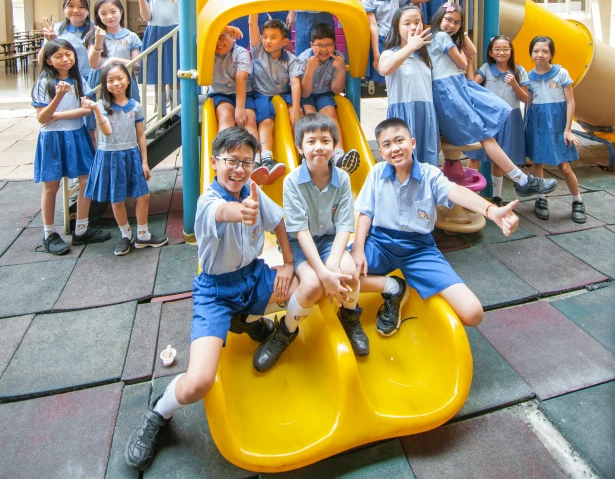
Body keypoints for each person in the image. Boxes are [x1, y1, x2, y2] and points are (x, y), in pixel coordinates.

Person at [125, 127, 307, 472]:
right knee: (199, 382)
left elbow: (280, 221)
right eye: (231, 161)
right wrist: (241, 212)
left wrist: (287, 261)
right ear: (214, 162)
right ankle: (158, 413)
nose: (239, 169)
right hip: (215, 292)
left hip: (252, 275)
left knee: (304, 288)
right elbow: (223, 213)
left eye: (246, 162)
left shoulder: (252, 190)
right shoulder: (209, 200)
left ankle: (255, 321)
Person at [351, 118, 518, 336]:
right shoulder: (377, 173)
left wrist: (491, 211)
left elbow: (455, 191)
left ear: (412, 143)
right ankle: (393, 287)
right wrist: (358, 248)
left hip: (418, 249)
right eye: (387, 144)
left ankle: (399, 285)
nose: (395, 148)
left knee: (473, 313)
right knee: (337, 273)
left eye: (399, 140)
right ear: (381, 151)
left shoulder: (429, 174)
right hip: (380, 243)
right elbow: (365, 213)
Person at [263, 113, 368, 361]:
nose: (319, 147)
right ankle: (286, 329)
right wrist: (323, 273)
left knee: (348, 272)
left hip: (329, 240)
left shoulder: (342, 178)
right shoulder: (291, 182)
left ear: (334, 146)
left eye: (325, 140)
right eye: (311, 142)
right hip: (300, 244)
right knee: (311, 285)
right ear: (300, 147)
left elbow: (344, 225)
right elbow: (300, 231)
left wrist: (332, 264)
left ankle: (351, 316)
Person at [427, 2, 558, 197]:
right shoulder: (440, 36)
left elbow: (471, 53)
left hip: (457, 88)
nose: (451, 25)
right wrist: (458, 45)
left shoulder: (443, 37)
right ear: (439, 18)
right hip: (450, 91)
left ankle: (520, 180)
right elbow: (464, 61)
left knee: (495, 111)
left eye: (457, 22)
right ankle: (521, 180)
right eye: (448, 20)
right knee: (486, 135)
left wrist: (461, 34)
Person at [32, 39, 111, 255]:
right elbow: (41, 119)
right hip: (52, 138)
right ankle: (49, 233)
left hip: (77, 134)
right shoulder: (43, 83)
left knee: (86, 180)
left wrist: (55, 115)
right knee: (51, 185)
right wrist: (58, 96)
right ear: (48, 60)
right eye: (58, 56)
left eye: (68, 54)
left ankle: (82, 229)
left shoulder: (79, 80)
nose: (65, 59)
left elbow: (85, 110)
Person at [82, 63, 168, 256]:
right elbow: (106, 130)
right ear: (105, 84)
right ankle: (125, 235)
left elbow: (140, 135)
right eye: (110, 80)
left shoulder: (135, 106)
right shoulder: (103, 107)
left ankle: (143, 235)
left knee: (143, 194)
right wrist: (96, 109)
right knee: (117, 198)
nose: (116, 83)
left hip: (130, 154)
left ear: (128, 80)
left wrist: (144, 161)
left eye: (120, 78)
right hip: (109, 156)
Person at [362, 0, 452, 86]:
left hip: (399, 40)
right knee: (387, 78)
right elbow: (373, 26)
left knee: (402, 76)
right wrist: (376, 54)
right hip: (382, 41)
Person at [525, 36, 585, 223]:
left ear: (551, 53)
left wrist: (568, 129)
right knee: (537, 163)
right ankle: (540, 199)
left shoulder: (561, 74)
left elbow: (570, 101)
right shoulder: (529, 76)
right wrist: (525, 127)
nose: (540, 54)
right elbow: (528, 103)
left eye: (544, 51)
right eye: (536, 51)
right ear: (531, 53)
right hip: (538, 124)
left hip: (558, 124)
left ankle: (577, 201)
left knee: (564, 166)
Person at [466, 37, 530, 207]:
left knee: (499, 158)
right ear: (490, 52)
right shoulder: (486, 69)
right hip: (487, 117)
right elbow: (471, 85)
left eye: (505, 49)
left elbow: (525, 98)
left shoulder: (518, 70)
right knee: (475, 155)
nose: (501, 52)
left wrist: (515, 84)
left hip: (510, 117)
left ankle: (497, 196)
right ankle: (469, 195)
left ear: (511, 51)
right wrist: (470, 63)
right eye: (497, 49)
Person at [379, 6, 438, 166]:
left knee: (427, 162)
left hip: (425, 113)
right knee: (403, 161)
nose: (413, 27)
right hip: (402, 113)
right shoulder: (390, 53)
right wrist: (410, 46)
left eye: (417, 22)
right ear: (397, 28)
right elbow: (384, 68)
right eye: (407, 23)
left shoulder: (425, 56)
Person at [298, 22, 361, 173]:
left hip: (325, 93)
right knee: (311, 117)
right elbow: (304, 93)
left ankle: (338, 154)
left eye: (329, 45)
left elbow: (336, 89)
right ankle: (309, 154)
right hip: (305, 95)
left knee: (331, 115)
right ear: (312, 45)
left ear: (334, 45)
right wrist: (310, 70)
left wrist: (340, 70)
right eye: (319, 45)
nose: (324, 49)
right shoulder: (304, 59)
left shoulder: (338, 58)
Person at [248, 13, 303, 183]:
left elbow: (295, 84)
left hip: (283, 95)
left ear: (284, 42)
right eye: (265, 37)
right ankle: (266, 158)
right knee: (266, 121)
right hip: (262, 94)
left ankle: (301, 154)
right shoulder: (258, 52)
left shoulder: (291, 60)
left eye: (273, 37)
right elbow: (252, 23)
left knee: (298, 115)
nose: (267, 41)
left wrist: (294, 108)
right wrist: (255, 8)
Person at [208, 25, 267, 182]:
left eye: (223, 37)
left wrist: (240, 107)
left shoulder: (240, 53)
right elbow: (198, 37)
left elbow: (241, 78)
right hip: (221, 94)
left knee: (249, 119)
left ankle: (255, 160)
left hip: (243, 93)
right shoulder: (207, 52)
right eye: (215, 38)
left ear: (232, 38)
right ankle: (224, 157)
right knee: (226, 116)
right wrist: (226, 26)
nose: (218, 43)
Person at [131, 0, 179, 130]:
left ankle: (175, 112)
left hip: (176, 34)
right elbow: (146, 17)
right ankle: (162, 115)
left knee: (175, 74)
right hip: (155, 34)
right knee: (159, 77)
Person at [85, 0, 142, 143]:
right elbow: (93, 64)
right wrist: (98, 41)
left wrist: (115, 60)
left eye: (113, 11)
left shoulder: (131, 36)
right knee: (95, 122)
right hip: (99, 82)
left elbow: (136, 64)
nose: (109, 17)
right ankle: (98, 155)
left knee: (128, 119)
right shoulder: (94, 36)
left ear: (121, 12)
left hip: (125, 82)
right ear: (97, 15)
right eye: (103, 13)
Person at [38, 0, 94, 78]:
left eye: (81, 6)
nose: (75, 10)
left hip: (91, 81)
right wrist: (49, 42)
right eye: (70, 5)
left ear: (88, 10)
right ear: (64, 8)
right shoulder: (55, 30)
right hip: (63, 80)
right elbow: (41, 61)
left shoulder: (96, 30)